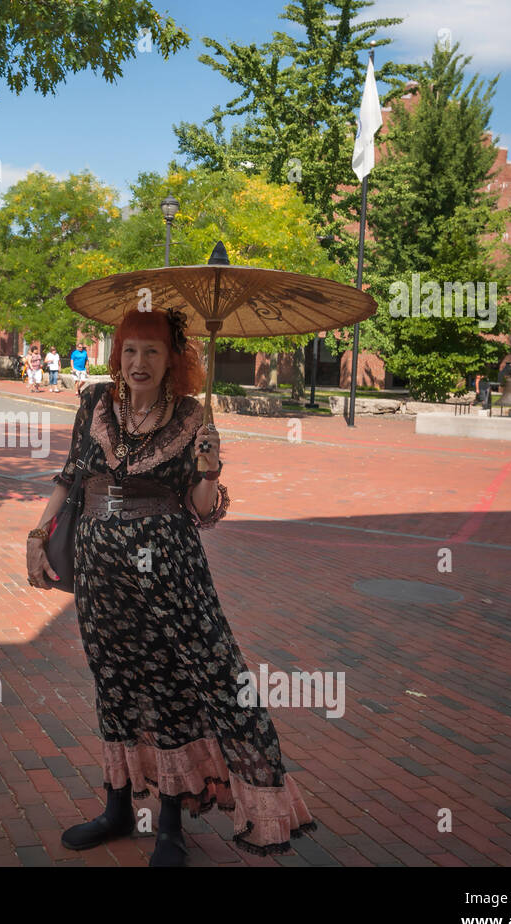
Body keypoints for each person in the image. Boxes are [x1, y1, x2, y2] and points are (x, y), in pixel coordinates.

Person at [25, 306, 315, 866]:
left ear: (172, 360)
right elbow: (69, 478)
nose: (139, 362)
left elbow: (201, 512)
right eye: (130, 350)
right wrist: (37, 535)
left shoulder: (189, 418)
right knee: (114, 683)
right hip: (100, 574)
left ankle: (171, 825)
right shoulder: (94, 404)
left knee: (172, 691)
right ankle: (116, 805)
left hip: (169, 577)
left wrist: (209, 471)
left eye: (152, 352)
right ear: (118, 356)